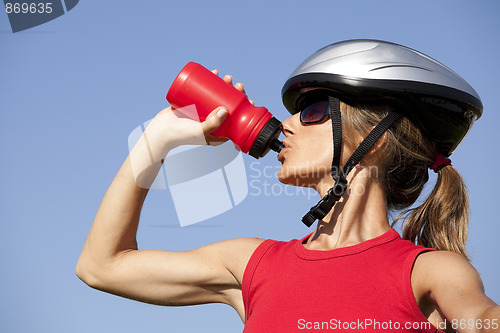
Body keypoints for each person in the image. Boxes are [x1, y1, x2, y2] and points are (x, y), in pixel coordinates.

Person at [76, 40, 500, 332]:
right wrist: (159, 138)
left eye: (313, 110)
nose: (289, 123)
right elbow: (101, 266)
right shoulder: (253, 265)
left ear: (376, 140)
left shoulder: (429, 271)